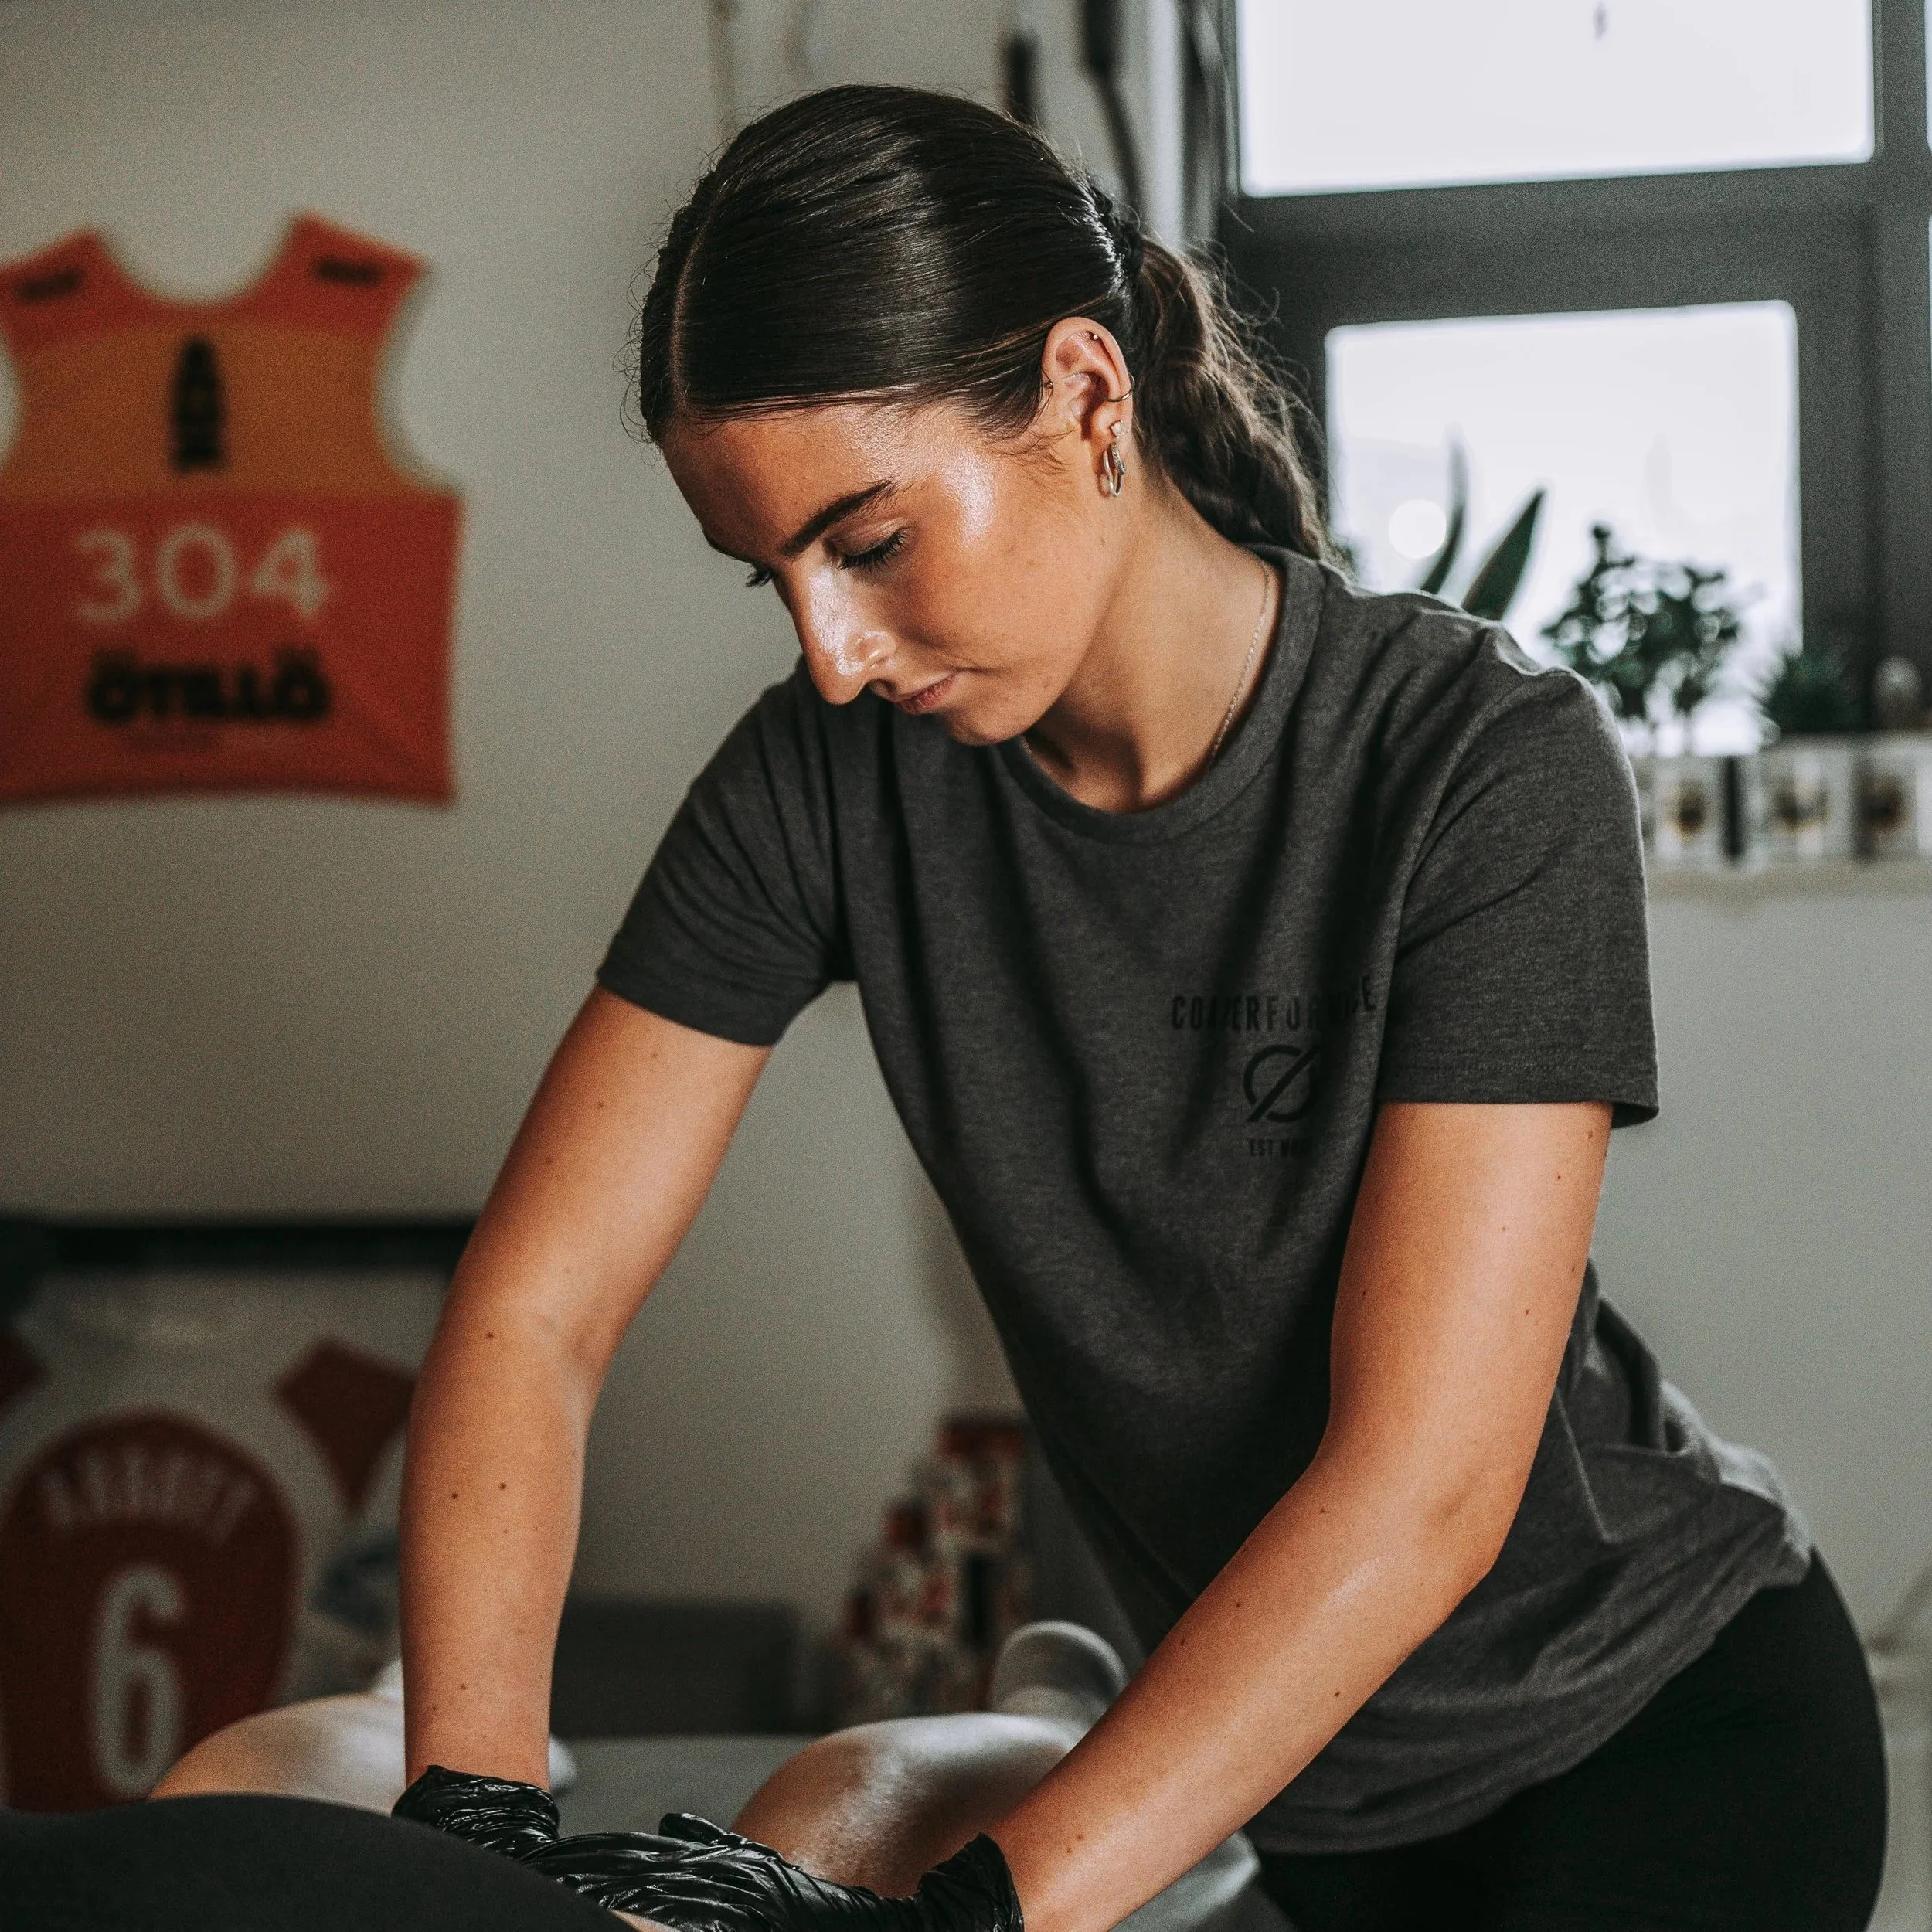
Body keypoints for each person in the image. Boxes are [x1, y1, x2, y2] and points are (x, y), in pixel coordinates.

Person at [395, 82, 1886, 1932]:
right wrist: (466, 1825)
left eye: (864, 541)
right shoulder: (819, 783)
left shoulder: (1478, 759)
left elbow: (1418, 1489)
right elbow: (534, 1310)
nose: (827, 652)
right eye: (767, 575)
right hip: (1293, 1795)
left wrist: (979, 1918)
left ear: (1086, 399)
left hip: (1658, 1730)